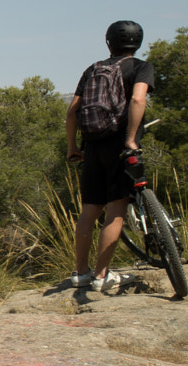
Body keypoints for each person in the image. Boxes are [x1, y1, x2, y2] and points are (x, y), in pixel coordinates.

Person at [62, 20, 155, 292]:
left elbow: (72, 112)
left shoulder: (93, 69)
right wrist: (130, 139)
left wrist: (72, 147)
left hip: (91, 146)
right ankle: (102, 276)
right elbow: (138, 100)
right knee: (115, 209)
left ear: (108, 42)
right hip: (119, 147)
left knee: (90, 210)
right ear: (138, 43)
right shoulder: (141, 67)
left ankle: (81, 273)